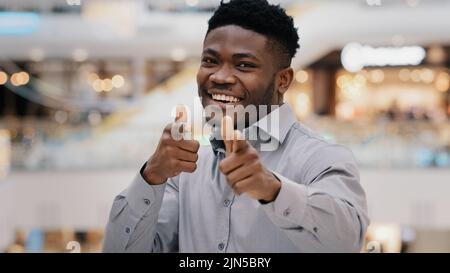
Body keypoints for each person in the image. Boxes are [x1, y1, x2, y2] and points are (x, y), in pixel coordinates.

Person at [102, 0, 369, 253]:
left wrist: (271, 189)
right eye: (210, 61)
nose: (219, 77)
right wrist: (151, 176)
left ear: (283, 80)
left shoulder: (322, 157)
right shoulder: (183, 171)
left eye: (244, 65)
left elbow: (347, 240)